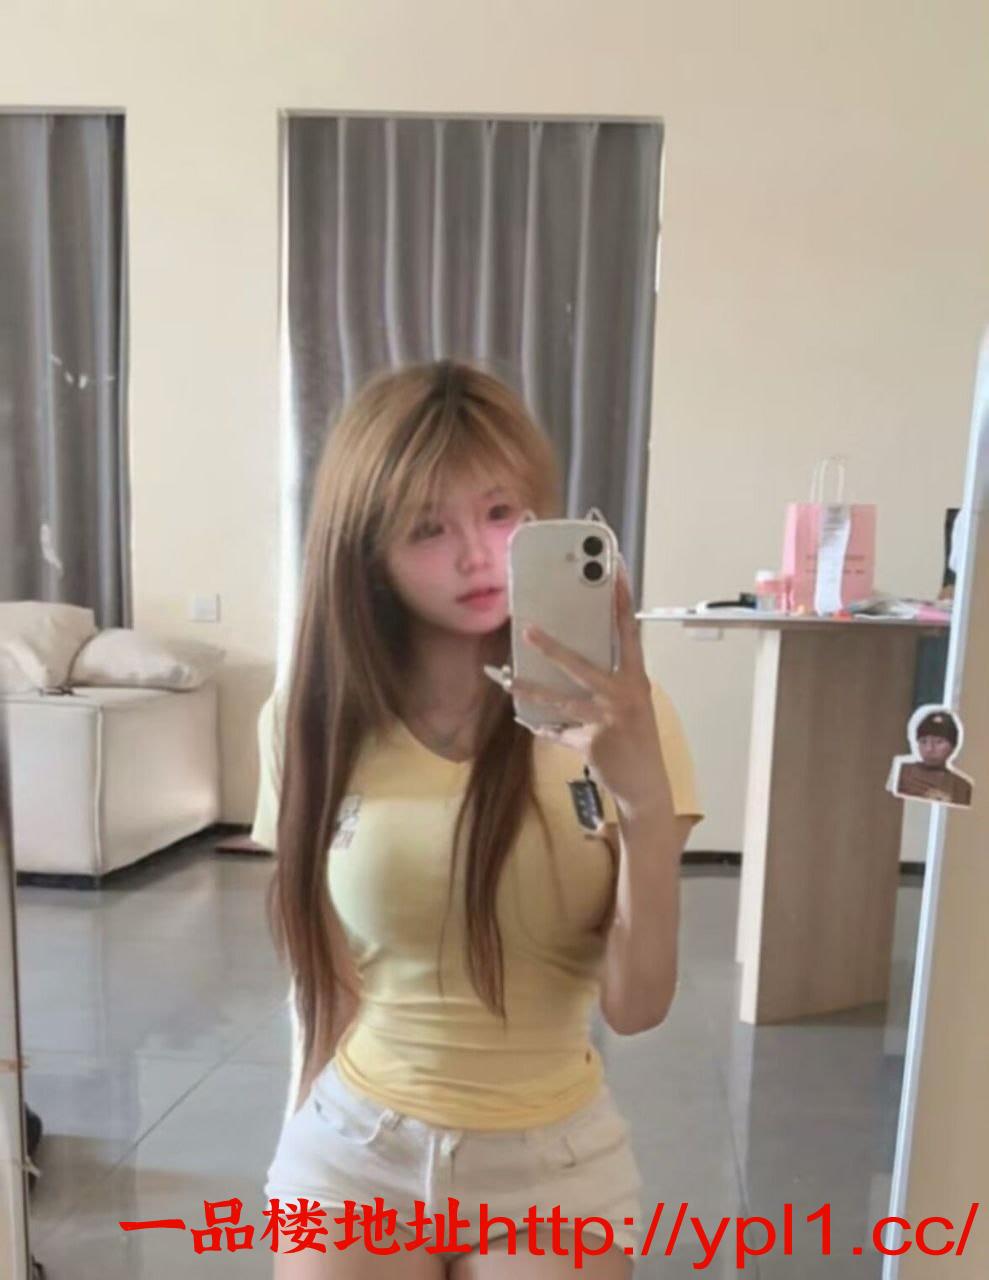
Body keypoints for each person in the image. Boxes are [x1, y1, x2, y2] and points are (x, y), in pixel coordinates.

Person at [254, 359, 704, 1277]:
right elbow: (327, 984)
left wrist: (643, 803)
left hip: (554, 1170)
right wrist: (297, 1147)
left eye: (500, 514)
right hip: (354, 1151)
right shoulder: (311, 721)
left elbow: (637, 1006)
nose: (475, 555)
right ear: (366, 553)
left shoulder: (627, 718)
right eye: (428, 528)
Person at [893, 710, 973, 807]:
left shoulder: (963, 787)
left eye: (939, 742)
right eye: (923, 741)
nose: (929, 749)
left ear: (953, 746)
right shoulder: (901, 773)